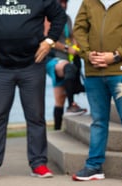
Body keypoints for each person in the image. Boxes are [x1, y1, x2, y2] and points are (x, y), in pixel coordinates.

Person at [0, 0, 67, 180]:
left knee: (35, 116)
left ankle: (38, 164)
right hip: (0, 67)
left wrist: (49, 41)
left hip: (33, 64)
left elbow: (59, 16)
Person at [71, 0, 122, 182]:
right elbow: (79, 28)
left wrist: (116, 55)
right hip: (93, 70)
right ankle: (93, 167)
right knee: (98, 121)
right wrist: (87, 53)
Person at [45, 0, 87, 131]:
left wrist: (76, 47)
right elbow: (47, 39)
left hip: (65, 58)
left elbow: (73, 36)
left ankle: (57, 130)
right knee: (69, 69)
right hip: (52, 58)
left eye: (65, 2)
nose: (63, 5)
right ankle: (71, 105)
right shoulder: (47, 18)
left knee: (59, 98)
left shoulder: (67, 18)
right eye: (60, 2)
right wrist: (67, 48)